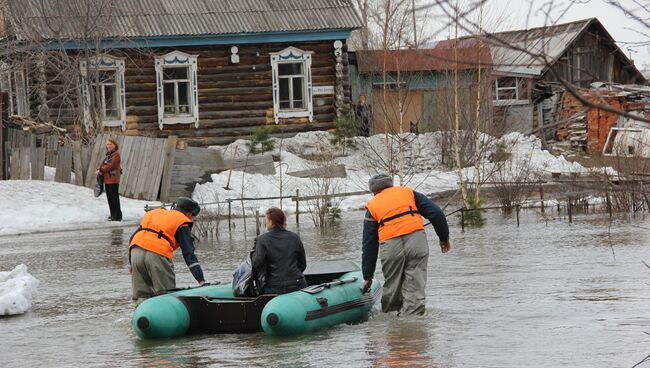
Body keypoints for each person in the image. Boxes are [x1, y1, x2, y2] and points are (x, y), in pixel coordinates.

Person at [362, 173, 451, 315]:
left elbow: (369, 244)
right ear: (391, 184)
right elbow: (437, 213)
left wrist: (368, 276)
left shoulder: (372, 206)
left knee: (392, 286)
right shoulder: (408, 193)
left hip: (391, 247)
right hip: (417, 242)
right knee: (415, 287)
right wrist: (444, 238)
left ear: (373, 191)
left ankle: (392, 324)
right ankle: (413, 327)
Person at [128, 197, 205, 305]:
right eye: (193, 217)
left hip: (135, 251)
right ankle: (167, 320)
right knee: (166, 295)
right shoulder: (182, 221)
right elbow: (189, 254)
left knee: (142, 296)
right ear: (189, 215)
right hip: (156, 254)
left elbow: (134, 236)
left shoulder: (156, 214)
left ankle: (142, 319)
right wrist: (201, 280)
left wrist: (131, 263)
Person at [252, 207, 307, 295]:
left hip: (274, 287)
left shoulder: (262, 239)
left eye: (266, 220)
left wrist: (254, 252)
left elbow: (257, 264)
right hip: (297, 284)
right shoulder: (295, 237)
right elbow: (302, 264)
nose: (265, 223)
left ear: (271, 221)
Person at [96, 138, 122, 221]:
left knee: (114, 198)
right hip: (107, 179)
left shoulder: (116, 155)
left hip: (113, 179)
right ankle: (113, 214)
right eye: (107, 144)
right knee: (109, 198)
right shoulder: (108, 155)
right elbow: (102, 164)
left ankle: (117, 216)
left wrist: (101, 170)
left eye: (110, 144)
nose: (109, 146)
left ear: (115, 145)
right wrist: (99, 169)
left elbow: (111, 166)